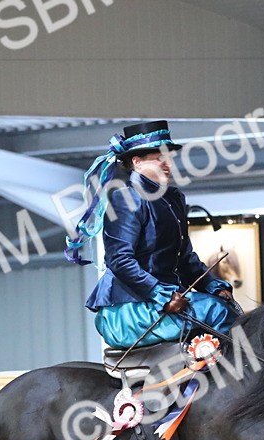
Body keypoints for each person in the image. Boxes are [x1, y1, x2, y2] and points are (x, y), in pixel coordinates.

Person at [66, 120, 238, 349]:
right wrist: (163, 295)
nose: (167, 163)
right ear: (137, 162)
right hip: (129, 310)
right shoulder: (124, 199)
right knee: (216, 311)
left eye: (169, 157)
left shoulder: (174, 199)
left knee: (223, 306)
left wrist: (214, 285)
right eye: (159, 158)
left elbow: (185, 259)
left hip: (167, 301)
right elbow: (119, 260)